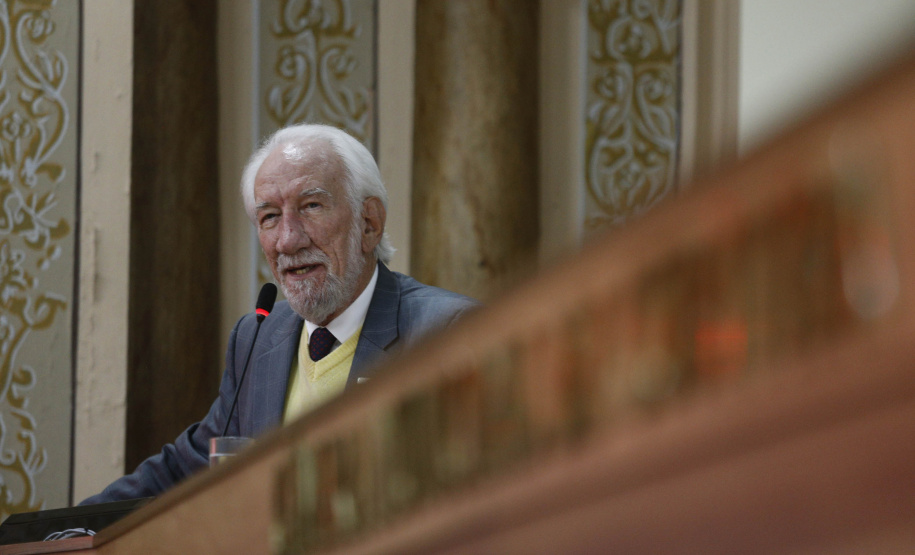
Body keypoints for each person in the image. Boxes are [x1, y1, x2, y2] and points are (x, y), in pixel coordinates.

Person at [81, 124, 478, 504]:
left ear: (369, 224)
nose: (288, 240)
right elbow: (186, 468)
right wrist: (60, 531)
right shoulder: (257, 338)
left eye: (311, 206)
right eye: (269, 216)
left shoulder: (446, 331)